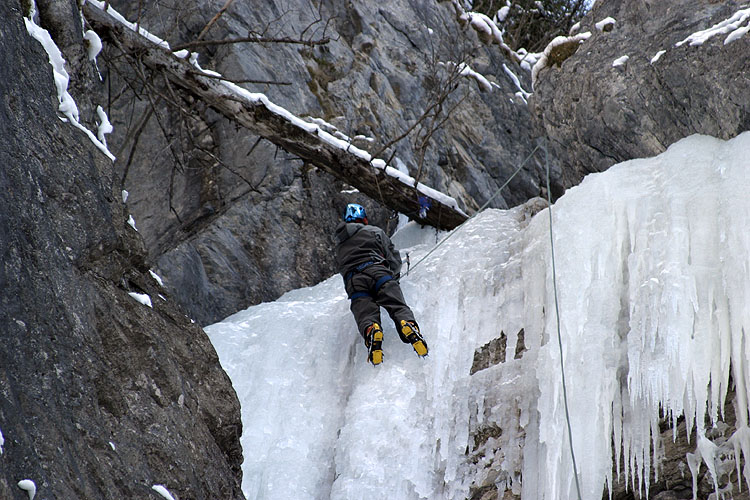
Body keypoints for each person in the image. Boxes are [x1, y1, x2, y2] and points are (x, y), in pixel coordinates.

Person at [333, 203, 428, 365]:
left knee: (365, 314)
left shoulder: (340, 245)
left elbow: (343, 269)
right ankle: (408, 325)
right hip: (378, 272)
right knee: (397, 306)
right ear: (363, 218)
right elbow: (393, 259)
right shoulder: (375, 232)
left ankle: (372, 330)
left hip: (354, 283)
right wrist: (393, 278)